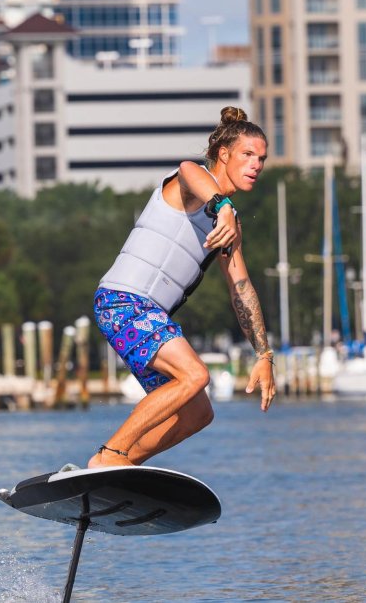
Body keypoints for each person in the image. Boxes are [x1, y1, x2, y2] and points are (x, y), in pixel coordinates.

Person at [88, 106, 276, 469]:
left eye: (262, 159)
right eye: (248, 155)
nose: (257, 165)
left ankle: (114, 465)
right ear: (224, 155)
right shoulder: (193, 185)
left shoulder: (229, 223)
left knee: (198, 412)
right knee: (195, 375)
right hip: (122, 301)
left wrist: (263, 355)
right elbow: (190, 169)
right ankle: (111, 455)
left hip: (148, 314)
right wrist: (221, 204)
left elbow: (241, 289)